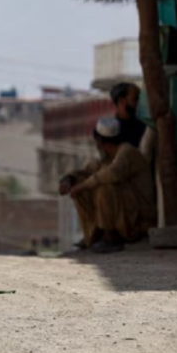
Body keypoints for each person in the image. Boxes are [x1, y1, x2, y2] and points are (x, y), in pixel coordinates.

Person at [59, 117, 156, 254]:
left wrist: (83, 186)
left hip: (139, 220)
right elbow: (87, 171)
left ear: (100, 141)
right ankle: (95, 234)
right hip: (128, 215)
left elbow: (110, 174)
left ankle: (111, 236)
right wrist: (69, 179)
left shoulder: (127, 152)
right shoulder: (108, 158)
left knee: (105, 186)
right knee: (80, 182)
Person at [110, 82, 147, 149]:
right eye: (136, 98)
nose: (140, 102)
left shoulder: (143, 124)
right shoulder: (113, 131)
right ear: (122, 101)